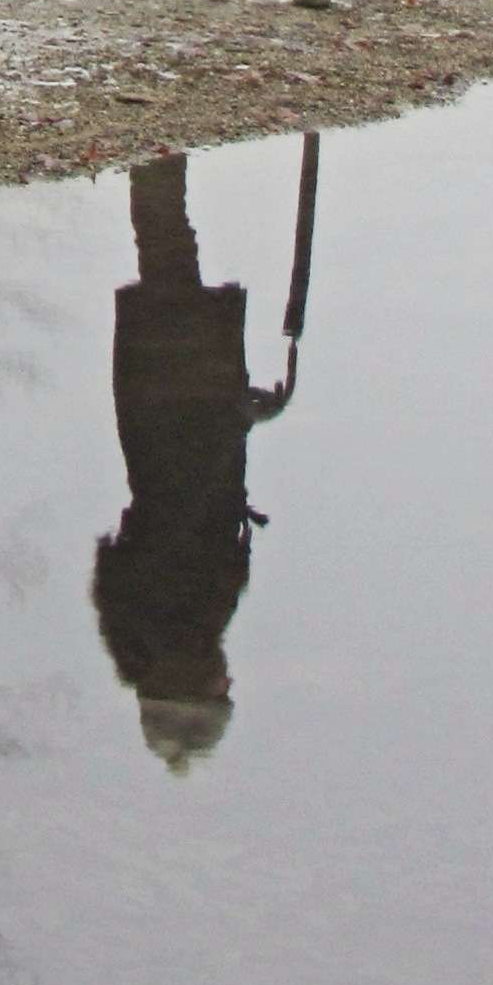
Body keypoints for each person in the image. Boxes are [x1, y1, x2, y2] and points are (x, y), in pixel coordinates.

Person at [90, 154, 297, 770]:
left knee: (168, 252)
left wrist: (236, 416)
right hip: (155, 404)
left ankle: (155, 149)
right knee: (167, 252)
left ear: (197, 684)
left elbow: (192, 491)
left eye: (221, 692)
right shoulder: (147, 627)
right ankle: (155, 151)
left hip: (180, 397)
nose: (229, 681)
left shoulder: (182, 612)